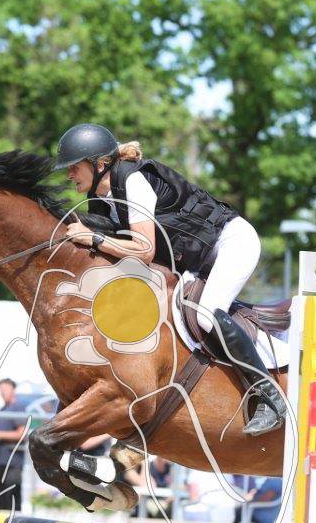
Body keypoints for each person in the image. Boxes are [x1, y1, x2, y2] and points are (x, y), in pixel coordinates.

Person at [53, 123, 285, 436]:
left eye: (74, 167)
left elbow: (144, 249)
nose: (69, 175)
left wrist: (93, 238)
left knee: (205, 314)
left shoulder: (133, 181)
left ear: (100, 164)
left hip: (230, 243)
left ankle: (269, 395)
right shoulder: (100, 198)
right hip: (194, 261)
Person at [0, 378, 28, 510]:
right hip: (1, 461)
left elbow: (22, 434)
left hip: (14, 462)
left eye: (5, 389)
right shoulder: (2, 409)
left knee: (12, 499)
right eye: (1, 390)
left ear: (13, 389)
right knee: (1, 500)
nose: (3, 392)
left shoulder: (18, 408)